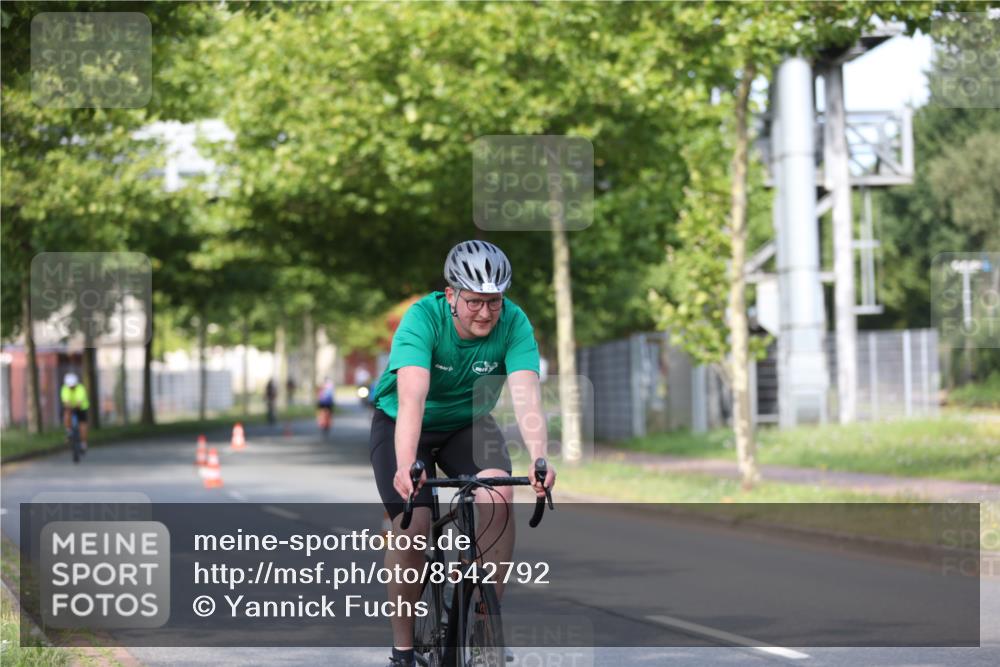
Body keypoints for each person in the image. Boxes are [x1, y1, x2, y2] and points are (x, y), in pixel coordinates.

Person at [368, 240, 556, 667]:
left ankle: (486, 622)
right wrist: (406, 466)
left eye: (494, 301)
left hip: (467, 423)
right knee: (414, 523)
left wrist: (539, 459)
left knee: (497, 497)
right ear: (451, 295)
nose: (486, 313)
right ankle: (403, 649)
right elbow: (413, 398)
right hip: (403, 423)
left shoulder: (514, 322)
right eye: (474, 302)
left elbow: (527, 396)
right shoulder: (422, 319)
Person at [60, 373, 89, 453]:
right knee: (66, 413)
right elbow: (66, 400)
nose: (72, 387)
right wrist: (68, 405)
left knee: (83, 424)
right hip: (71, 407)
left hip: (82, 407)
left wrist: (77, 405)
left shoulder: (80, 388)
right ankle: (68, 430)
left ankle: (83, 443)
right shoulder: (65, 389)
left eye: (73, 386)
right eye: (70, 386)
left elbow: (80, 401)